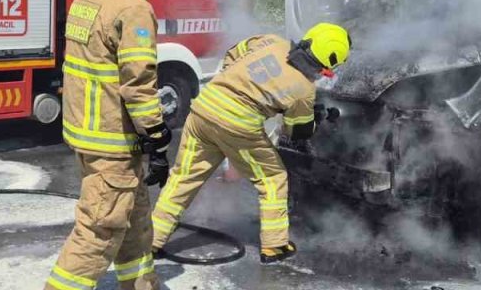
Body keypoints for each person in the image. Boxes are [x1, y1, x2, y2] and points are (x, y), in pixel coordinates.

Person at [31, 0, 177, 290]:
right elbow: (138, 83)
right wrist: (157, 136)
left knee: (135, 227)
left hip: (88, 137)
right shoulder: (133, 9)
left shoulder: (87, 0)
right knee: (96, 236)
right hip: (114, 146)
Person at [150, 23, 351, 265]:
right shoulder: (303, 88)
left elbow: (233, 53)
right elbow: (297, 132)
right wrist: (313, 117)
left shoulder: (271, 41)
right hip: (238, 126)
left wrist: (235, 84)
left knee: (183, 177)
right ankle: (275, 246)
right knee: (273, 178)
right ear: (326, 65)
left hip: (204, 109)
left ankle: (152, 241)